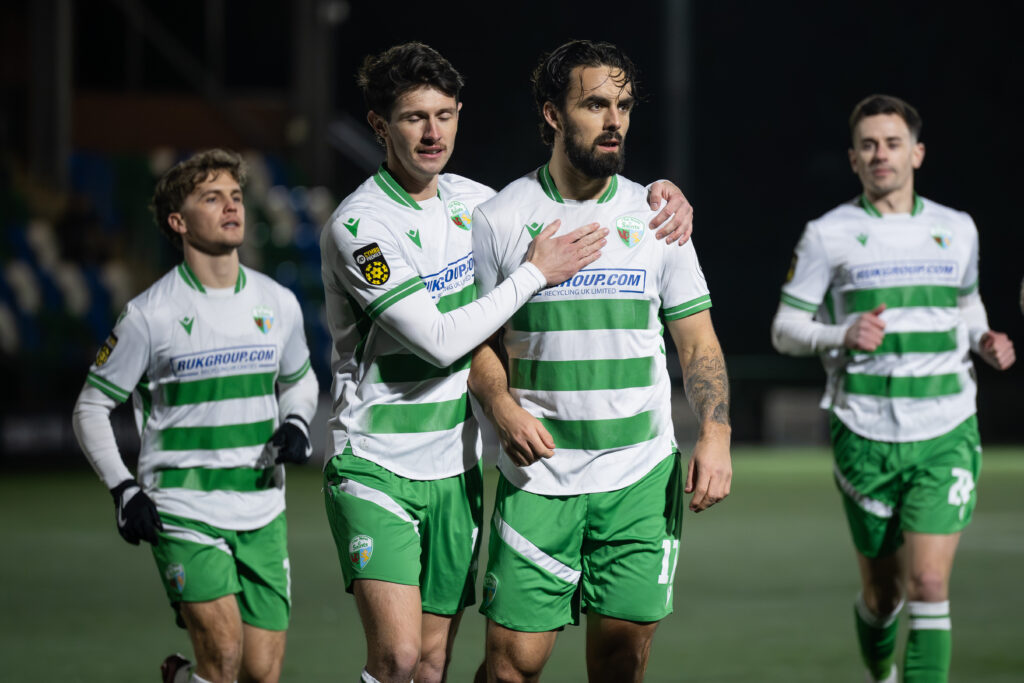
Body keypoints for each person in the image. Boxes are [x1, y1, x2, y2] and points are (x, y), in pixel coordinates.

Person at [319, 42, 695, 683]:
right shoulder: (361, 226)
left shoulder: (477, 206)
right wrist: (534, 274)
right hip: (377, 459)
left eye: (445, 114)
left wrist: (660, 195)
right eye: (414, 118)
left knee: (433, 663)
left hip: (455, 464)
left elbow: (558, 202)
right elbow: (441, 341)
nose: (434, 132)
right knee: (399, 658)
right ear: (381, 126)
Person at [468, 40, 733, 683]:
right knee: (512, 669)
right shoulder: (501, 218)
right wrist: (500, 405)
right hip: (541, 478)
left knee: (619, 664)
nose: (614, 120)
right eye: (594, 104)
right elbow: (476, 341)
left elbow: (696, 341)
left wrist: (717, 433)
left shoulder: (658, 217)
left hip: (638, 477)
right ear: (554, 114)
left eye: (623, 105)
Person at [771, 94, 1015, 683]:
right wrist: (842, 331)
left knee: (928, 583)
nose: (882, 155)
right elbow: (784, 329)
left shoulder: (957, 229)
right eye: (869, 145)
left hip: (946, 428)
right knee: (884, 597)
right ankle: (881, 673)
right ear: (853, 159)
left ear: (918, 153)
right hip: (866, 431)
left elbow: (967, 304)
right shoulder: (827, 235)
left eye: (893, 143)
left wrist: (983, 337)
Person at [72, 149, 318, 683]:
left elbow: (300, 380)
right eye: (212, 198)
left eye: (235, 196)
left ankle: (181, 677)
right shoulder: (148, 315)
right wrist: (124, 490)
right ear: (177, 222)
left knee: (260, 672)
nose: (231, 207)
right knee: (224, 657)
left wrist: (297, 421)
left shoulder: (278, 302)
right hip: (183, 507)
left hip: (261, 508)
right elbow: (90, 407)